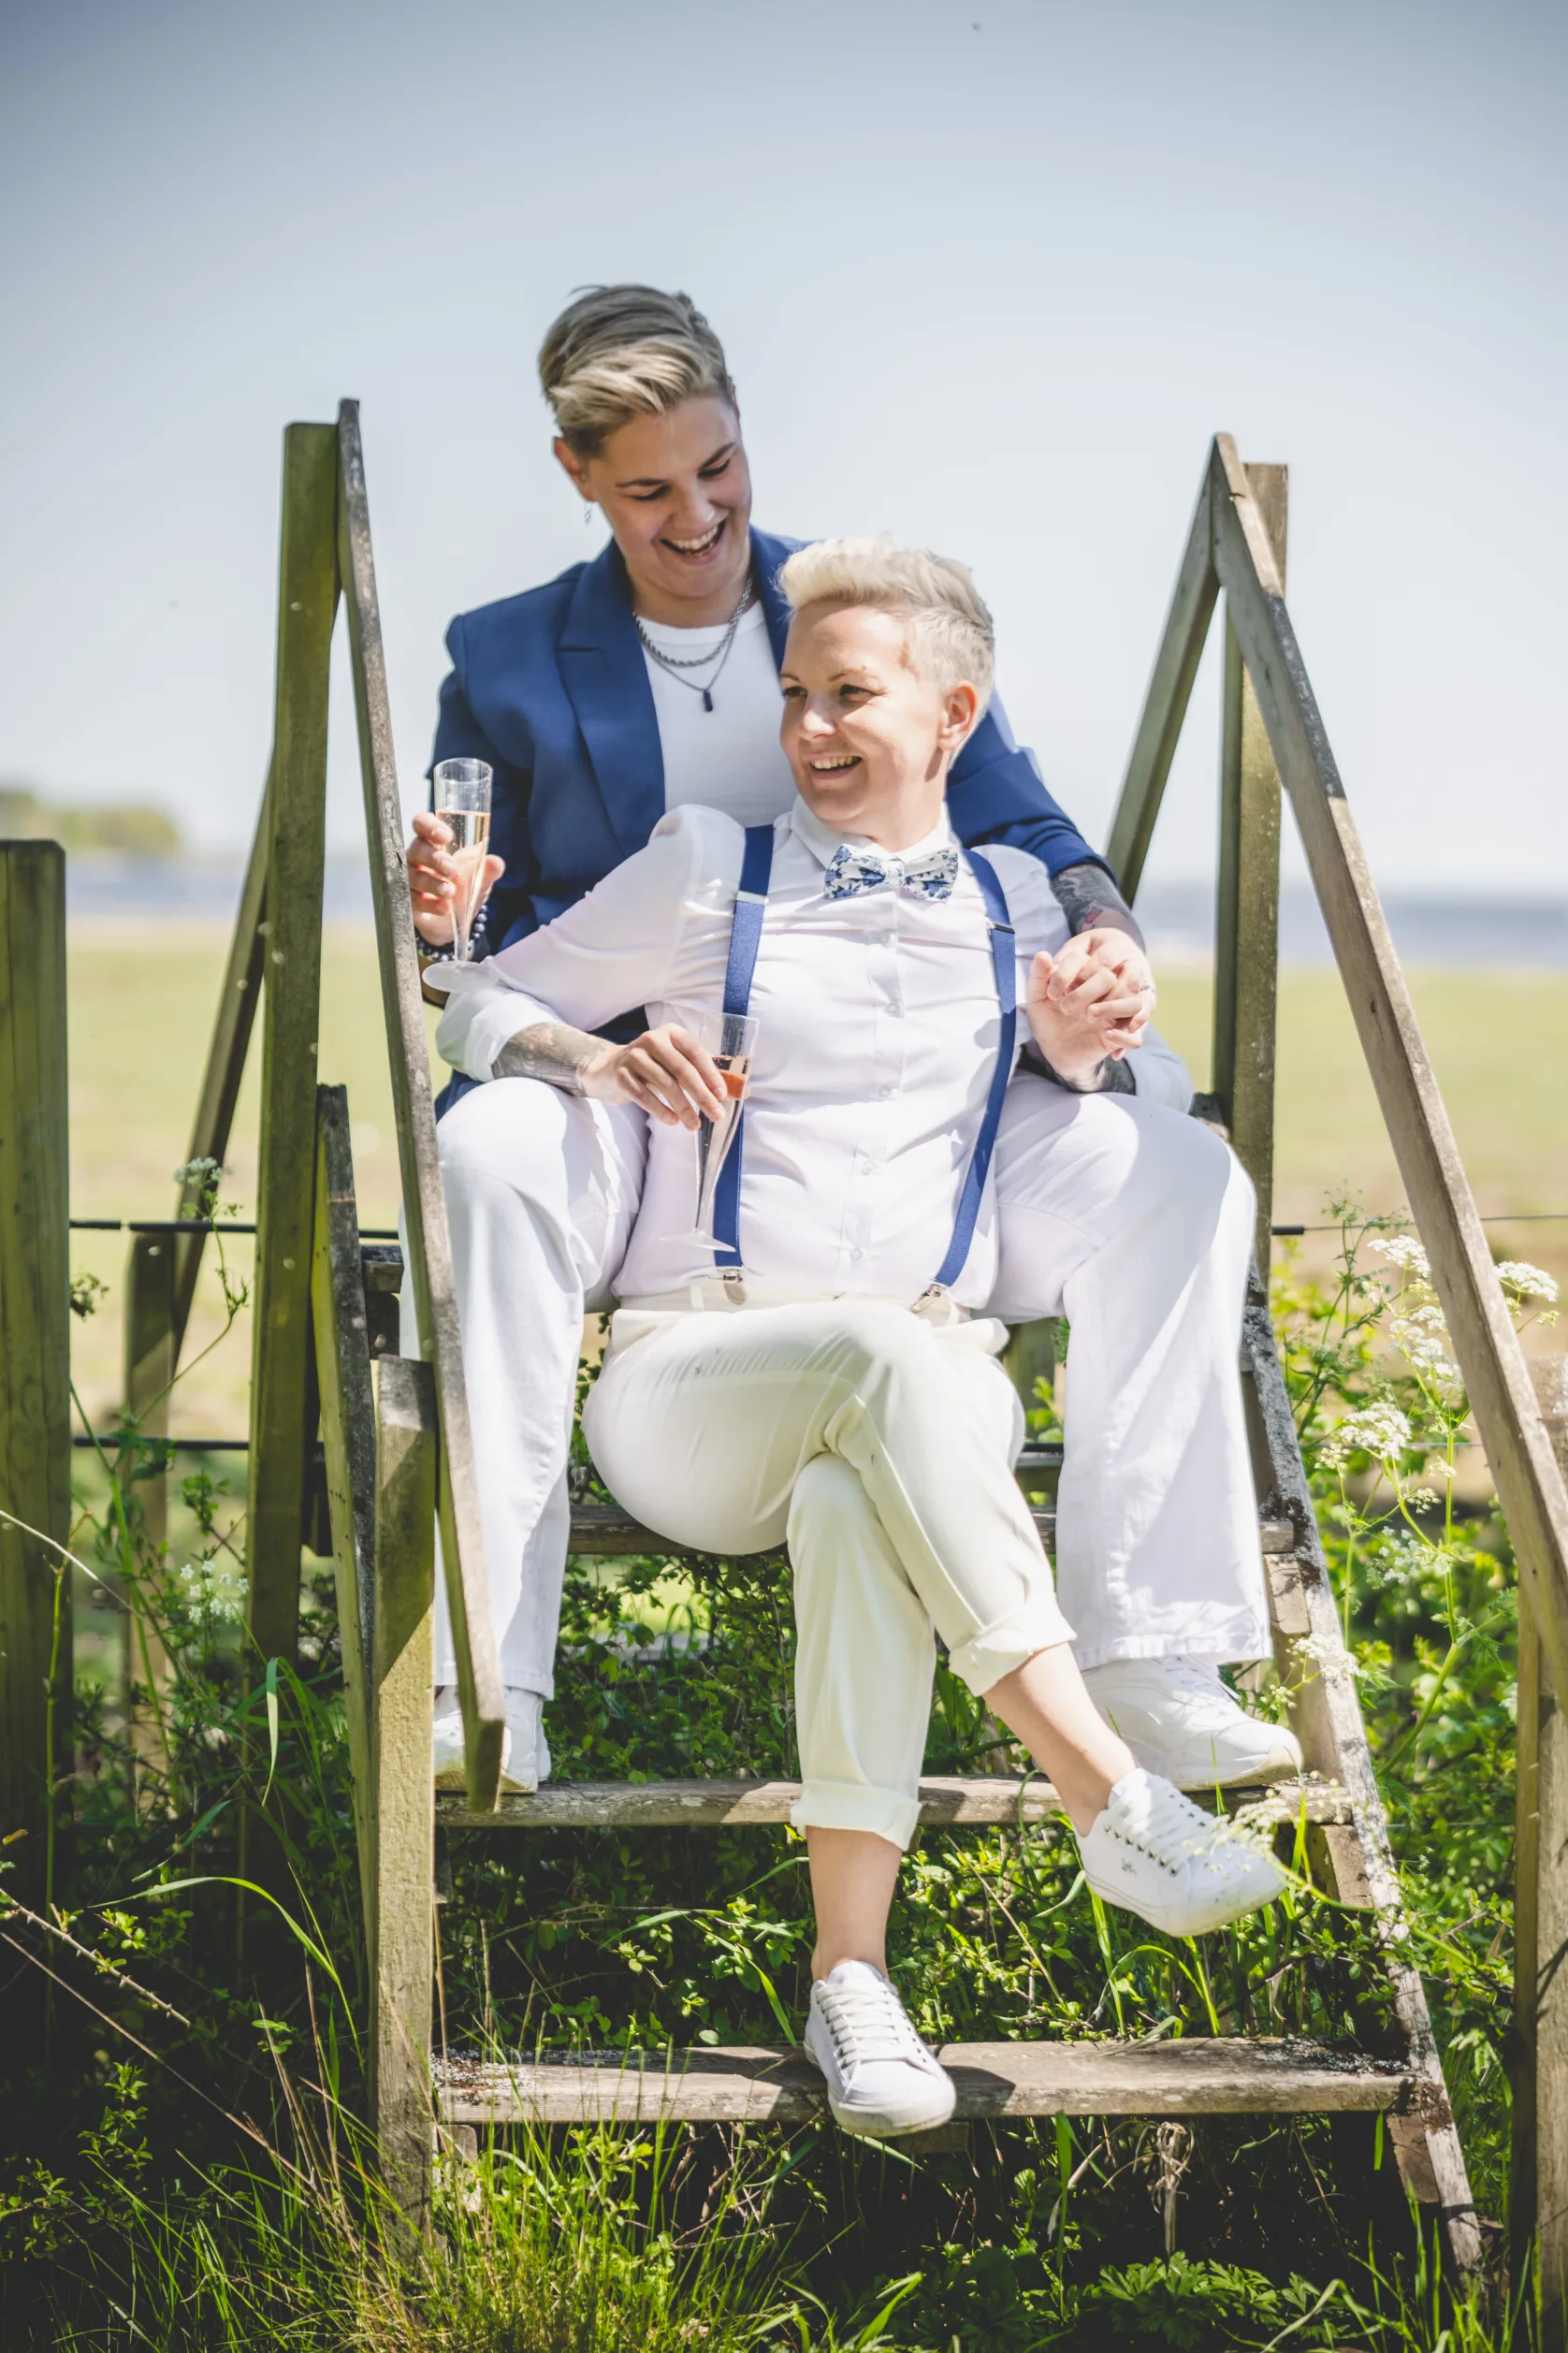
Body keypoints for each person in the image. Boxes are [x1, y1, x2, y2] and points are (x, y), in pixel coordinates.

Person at [426, 538, 1286, 2136]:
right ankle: (1107, 1786)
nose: (810, 730)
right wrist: (587, 1064)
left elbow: (1125, 1126)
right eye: (797, 697)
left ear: (956, 712)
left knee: (870, 1467)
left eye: (851, 697)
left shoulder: (1025, 906)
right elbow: (471, 997)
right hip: (696, 1385)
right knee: (888, 1368)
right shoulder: (702, 863)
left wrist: (1090, 1057)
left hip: (910, 1400)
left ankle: (853, 1990)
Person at [408, 283, 1294, 1796]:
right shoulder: (501, 657)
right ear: (576, 477)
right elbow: (468, 943)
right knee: (487, 1145)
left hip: (897, 1079)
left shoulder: (837, 609)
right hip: (636, 1095)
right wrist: (447, 922)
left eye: (719, 469)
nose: (699, 516)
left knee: (1178, 1169)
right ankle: (483, 1672)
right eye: (649, 490)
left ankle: (1153, 1653)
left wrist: (1102, 947)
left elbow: (1023, 825)